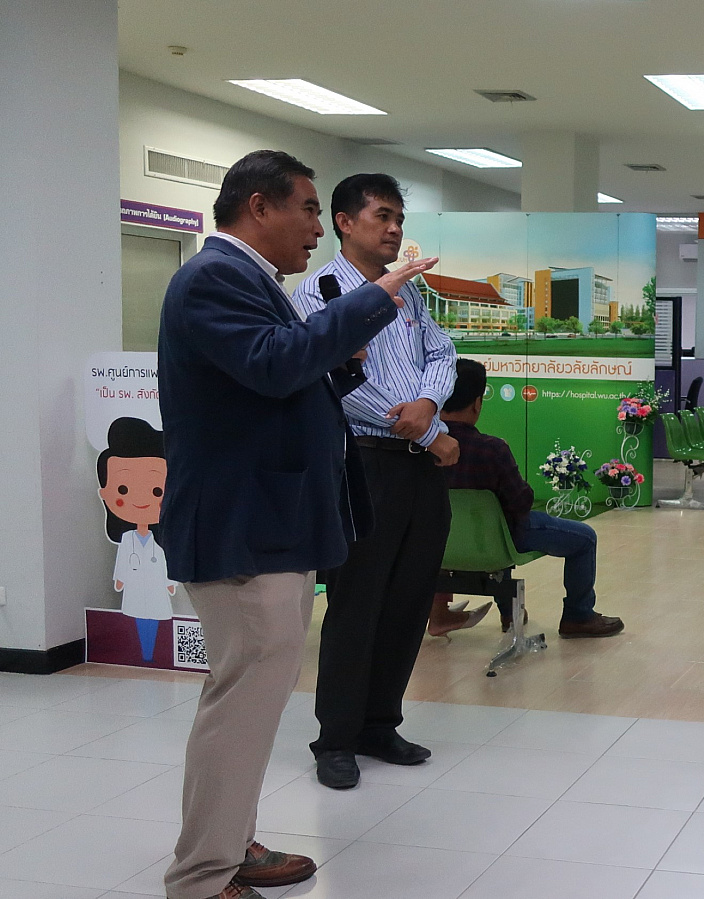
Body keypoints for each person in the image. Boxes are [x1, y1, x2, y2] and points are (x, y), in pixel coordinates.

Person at [158, 149, 435, 899]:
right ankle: (203, 875)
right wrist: (370, 302)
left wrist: (340, 356)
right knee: (241, 702)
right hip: (244, 527)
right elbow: (274, 365)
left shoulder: (252, 281)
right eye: (309, 209)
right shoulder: (213, 277)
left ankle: (230, 843)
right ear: (259, 206)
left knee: (252, 702)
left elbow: (272, 380)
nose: (318, 228)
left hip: (267, 523)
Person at [288, 173, 459, 791]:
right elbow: (335, 380)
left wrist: (428, 405)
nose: (394, 229)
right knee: (357, 603)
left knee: (408, 601)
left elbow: (443, 355)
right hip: (364, 461)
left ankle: (380, 724)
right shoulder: (320, 294)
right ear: (344, 221)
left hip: (417, 468)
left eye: (399, 219)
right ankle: (336, 738)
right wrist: (427, 431)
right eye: (382, 216)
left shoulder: (407, 292)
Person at [438, 358, 625, 637]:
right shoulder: (492, 449)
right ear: (477, 403)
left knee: (495, 528)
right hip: (500, 541)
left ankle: (508, 612)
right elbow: (521, 502)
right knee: (584, 538)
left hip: (442, 544)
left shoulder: (420, 447)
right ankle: (578, 616)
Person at [97, 416, 177, 663]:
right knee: (139, 617)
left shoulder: (163, 540)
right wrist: (120, 580)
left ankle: (149, 654)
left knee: (154, 617)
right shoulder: (127, 539)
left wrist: (170, 583)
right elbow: (122, 563)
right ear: (105, 493)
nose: (141, 499)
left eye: (156, 491)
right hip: (134, 587)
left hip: (156, 587)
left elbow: (166, 564)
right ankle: (145, 655)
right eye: (123, 489)